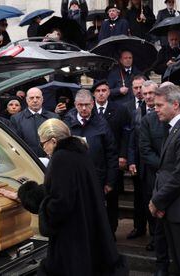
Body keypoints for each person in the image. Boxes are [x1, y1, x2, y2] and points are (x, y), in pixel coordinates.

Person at [0, 118, 127, 275]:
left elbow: (60, 202)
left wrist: (45, 215)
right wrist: (23, 194)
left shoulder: (61, 158)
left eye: (43, 143)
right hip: (86, 230)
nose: (43, 148)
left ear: (53, 141)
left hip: (71, 238)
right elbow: (59, 189)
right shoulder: (79, 155)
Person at [139, 82, 180, 275]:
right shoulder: (173, 128)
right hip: (172, 207)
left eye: (159, 105)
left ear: (175, 104)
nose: (154, 108)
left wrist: (157, 201)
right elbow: (165, 170)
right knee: (179, 265)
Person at [63, 89, 119, 235]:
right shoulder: (66, 124)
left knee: (98, 214)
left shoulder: (101, 124)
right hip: (73, 180)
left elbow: (111, 153)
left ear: (93, 104)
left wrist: (110, 182)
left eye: (87, 105)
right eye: (80, 105)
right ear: (75, 104)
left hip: (97, 179)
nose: (83, 108)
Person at [91, 81, 132, 236]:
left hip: (113, 161)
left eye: (104, 90)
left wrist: (123, 155)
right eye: (98, 91)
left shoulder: (120, 109)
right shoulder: (88, 109)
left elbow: (125, 134)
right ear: (94, 93)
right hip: (95, 160)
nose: (101, 93)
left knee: (112, 197)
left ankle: (112, 230)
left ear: (109, 92)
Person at [125, 76, 151, 241]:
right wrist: (131, 160)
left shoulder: (160, 110)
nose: (143, 93)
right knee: (139, 198)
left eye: (147, 91)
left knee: (152, 199)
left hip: (154, 165)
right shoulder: (138, 110)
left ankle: (155, 235)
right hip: (139, 164)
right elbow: (132, 139)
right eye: (139, 88)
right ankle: (139, 227)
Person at [10, 87, 59, 157]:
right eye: (31, 98)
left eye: (38, 97)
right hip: (29, 161)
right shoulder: (16, 119)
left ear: (42, 99)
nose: (35, 100)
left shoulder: (54, 117)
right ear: (27, 100)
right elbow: (15, 144)